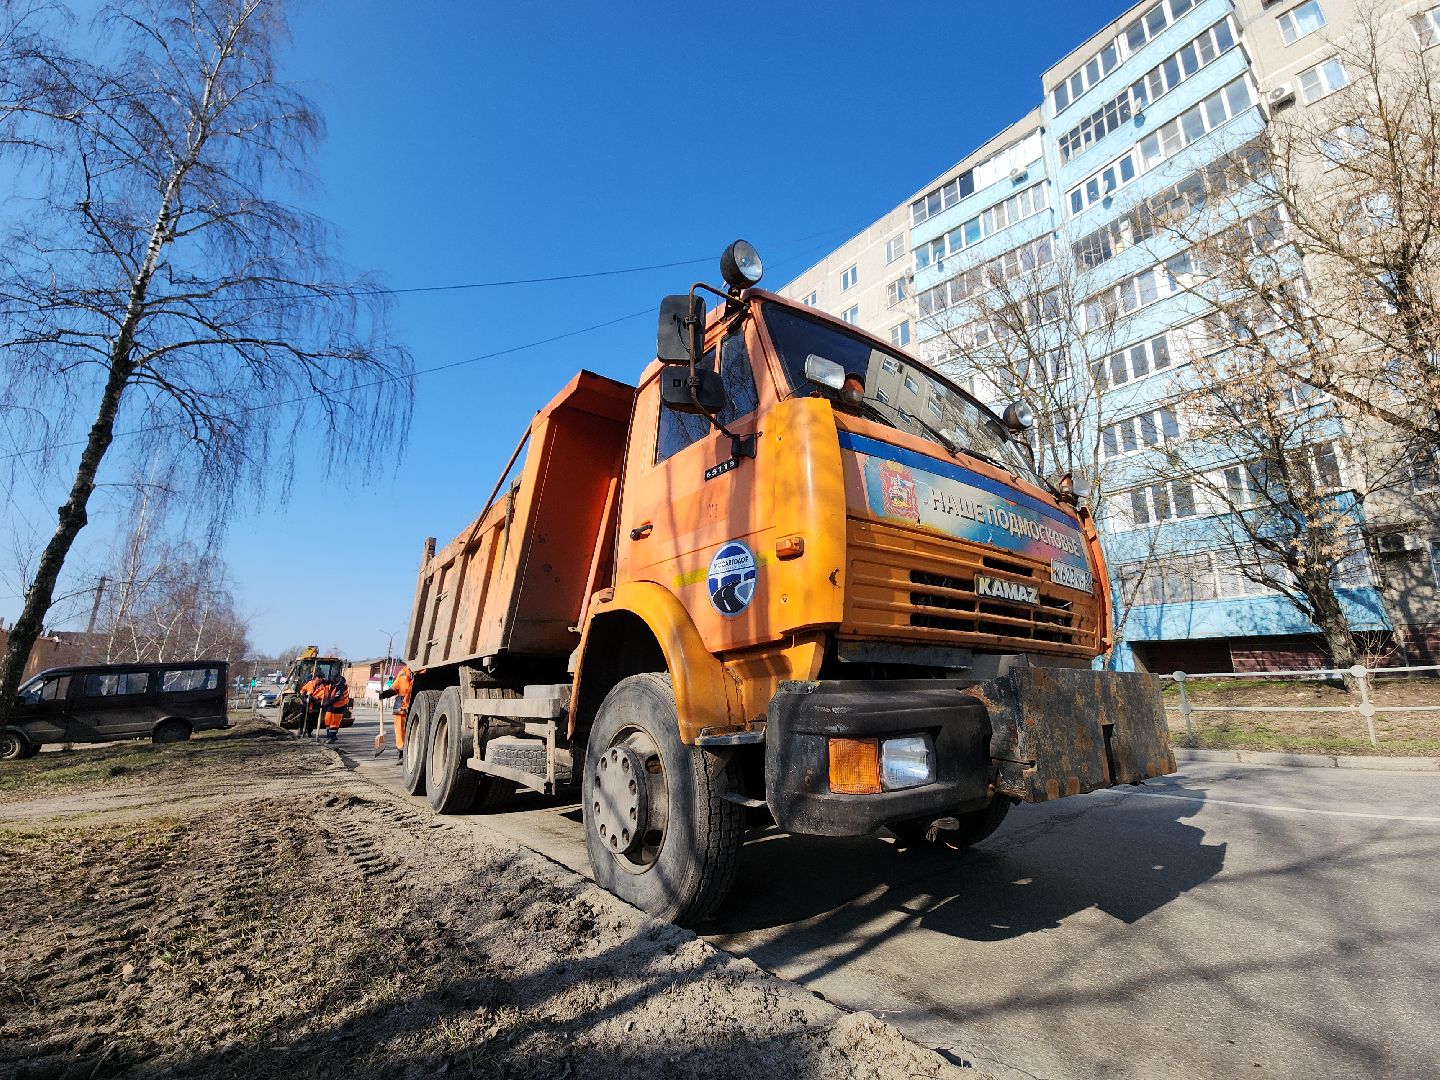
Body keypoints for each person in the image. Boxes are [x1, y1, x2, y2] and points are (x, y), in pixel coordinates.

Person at [376, 663, 413, 762]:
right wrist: (384, 694)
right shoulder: (403, 673)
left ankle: (410, 752)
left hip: (413, 704)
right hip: (401, 706)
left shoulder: (422, 671)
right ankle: (401, 753)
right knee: (400, 730)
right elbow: (395, 688)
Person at [311, 675, 351, 744]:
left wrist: (326, 704)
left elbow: (336, 698)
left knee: (334, 722)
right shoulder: (331, 682)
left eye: (333, 679)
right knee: (327, 719)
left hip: (339, 705)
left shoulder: (341, 686)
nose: (331, 680)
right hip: (331, 704)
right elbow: (325, 686)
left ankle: (332, 737)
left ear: (336, 679)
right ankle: (329, 736)